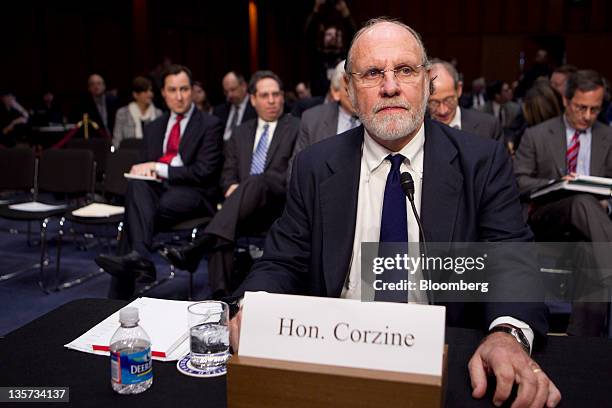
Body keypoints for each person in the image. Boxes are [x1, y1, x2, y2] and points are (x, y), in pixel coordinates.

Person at [228, 18, 561, 407]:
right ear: (350, 91)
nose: (390, 87)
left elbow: (511, 262)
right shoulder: (315, 166)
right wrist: (253, 307)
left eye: (404, 70)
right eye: (372, 73)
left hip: (444, 358)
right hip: (335, 356)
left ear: (428, 82)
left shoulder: (480, 162)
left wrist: (506, 333)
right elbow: (283, 259)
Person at [161, 70, 300, 299]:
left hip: (276, 205)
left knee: (254, 185)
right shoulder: (240, 132)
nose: (272, 101)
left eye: (276, 94)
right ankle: (221, 297)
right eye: (265, 95)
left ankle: (200, 245)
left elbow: (292, 174)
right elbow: (227, 173)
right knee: (225, 227)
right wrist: (231, 187)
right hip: (241, 207)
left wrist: (249, 186)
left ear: (283, 97)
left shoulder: (296, 127)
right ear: (253, 99)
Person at [95, 64, 224, 299]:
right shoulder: (155, 127)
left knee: (136, 213)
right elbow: (146, 166)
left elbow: (203, 172)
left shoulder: (209, 124)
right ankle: (141, 257)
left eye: (184, 89)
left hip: (194, 194)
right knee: (136, 185)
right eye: (172, 90)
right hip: (158, 193)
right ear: (163, 93)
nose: (179, 96)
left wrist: (158, 168)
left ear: (192, 90)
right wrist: (144, 170)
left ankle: (118, 296)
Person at [514, 69, 612, 336]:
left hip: (592, 228)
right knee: (580, 200)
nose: (588, 116)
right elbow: (519, 181)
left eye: (595, 109)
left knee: (591, 253)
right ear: (567, 101)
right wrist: (555, 183)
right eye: (581, 108)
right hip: (548, 217)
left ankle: (584, 342)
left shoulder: (607, 137)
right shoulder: (537, 134)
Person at [292, 59, 360, 161]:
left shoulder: (381, 116)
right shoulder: (312, 120)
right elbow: (296, 168)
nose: (358, 96)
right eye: (349, 90)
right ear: (336, 92)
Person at [428, 60, 502, 141]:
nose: (443, 111)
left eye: (448, 100)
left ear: (459, 90)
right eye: (434, 103)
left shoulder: (488, 127)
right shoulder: (417, 131)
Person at [112, 76, 162, 148]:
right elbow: (116, 140)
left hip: (151, 154)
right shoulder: (123, 113)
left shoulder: (158, 114)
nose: (150, 94)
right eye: (145, 91)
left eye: (150, 91)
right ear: (135, 95)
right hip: (129, 153)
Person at [213, 71, 257, 141]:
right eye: (226, 92)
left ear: (244, 86)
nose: (229, 95)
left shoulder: (256, 108)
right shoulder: (219, 111)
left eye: (233, 90)